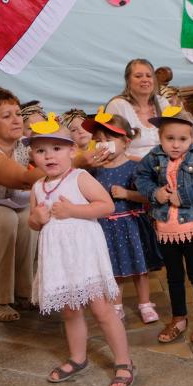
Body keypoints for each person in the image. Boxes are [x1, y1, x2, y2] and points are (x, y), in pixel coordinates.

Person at [26, 127, 133, 386]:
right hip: (58, 258)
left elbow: (106, 205)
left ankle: (124, 361)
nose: (49, 156)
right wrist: (36, 220)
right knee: (70, 310)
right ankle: (78, 357)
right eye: (41, 150)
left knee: (101, 309)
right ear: (33, 157)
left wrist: (72, 210)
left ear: (72, 151)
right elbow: (34, 221)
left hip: (84, 254)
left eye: (57, 149)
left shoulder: (79, 177)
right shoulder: (37, 187)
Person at [134, 110, 193, 344]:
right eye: (170, 138)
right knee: (173, 276)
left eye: (183, 139)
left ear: (191, 139)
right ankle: (179, 318)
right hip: (165, 227)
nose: (176, 144)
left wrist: (186, 196)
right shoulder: (153, 157)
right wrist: (154, 193)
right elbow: (141, 177)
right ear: (160, 138)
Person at [83, 113, 160, 324]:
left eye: (109, 139)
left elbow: (150, 196)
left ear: (126, 141)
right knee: (113, 268)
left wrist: (128, 194)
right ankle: (116, 305)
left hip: (132, 224)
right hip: (106, 227)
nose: (103, 145)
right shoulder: (92, 171)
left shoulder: (136, 168)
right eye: (98, 141)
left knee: (140, 267)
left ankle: (145, 303)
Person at [0, 87, 42, 322]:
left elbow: (48, 155)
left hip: (6, 203)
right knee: (5, 218)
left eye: (18, 114)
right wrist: (74, 164)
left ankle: (24, 292)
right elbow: (20, 178)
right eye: (6, 115)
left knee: (28, 217)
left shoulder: (23, 144)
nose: (16, 120)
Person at [106, 58, 170, 161]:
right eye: (138, 76)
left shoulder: (162, 102)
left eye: (149, 76)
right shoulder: (117, 106)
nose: (145, 79)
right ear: (128, 80)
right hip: (132, 167)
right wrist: (147, 164)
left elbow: (176, 136)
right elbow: (112, 148)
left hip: (166, 164)